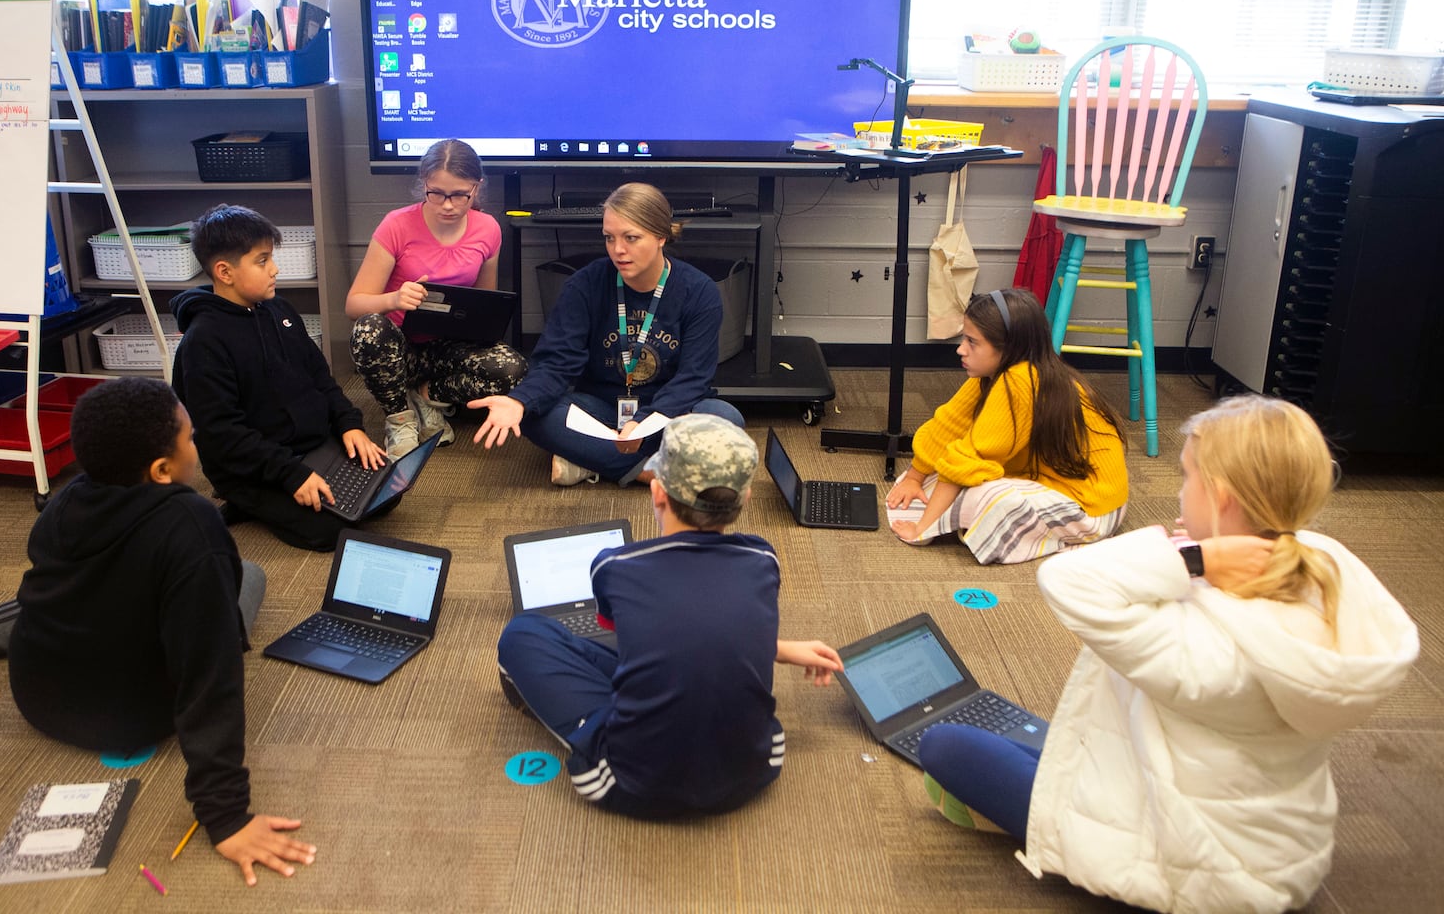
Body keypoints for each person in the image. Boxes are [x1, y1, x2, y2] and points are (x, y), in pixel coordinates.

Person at [916, 395, 1418, 913]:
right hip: (1280, 855)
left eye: (1186, 477)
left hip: (1195, 870)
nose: (1180, 491)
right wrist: (1204, 554)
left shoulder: (1201, 639)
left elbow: (1066, 579)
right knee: (1049, 736)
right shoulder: (1326, 569)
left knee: (944, 745)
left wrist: (1195, 557)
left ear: (1221, 497)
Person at [0, 378, 317, 887]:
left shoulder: (67, 498)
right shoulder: (194, 523)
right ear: (162, 470)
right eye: (189, 436)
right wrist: (225, 814)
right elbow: (210, 674)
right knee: (244, 577)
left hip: (36, 696)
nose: (196, 440)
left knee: (70, 594)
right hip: (136, 717)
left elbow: (40, 597)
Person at [496, 414, 843, 816]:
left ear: (657, 492)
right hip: (756, 767)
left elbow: (619, 635)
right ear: (745, 500)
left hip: (629, 783)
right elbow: (706, 623)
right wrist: (776, 648)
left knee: (522, 634)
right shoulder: (763, 558)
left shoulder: (614, 566)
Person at [470, 182, 742, 486]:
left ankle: (592, 461)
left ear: (662, 236)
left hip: (668, 410)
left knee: (724, 418)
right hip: (601, 408)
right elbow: (556, 363)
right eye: (609, 238)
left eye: (631, 238)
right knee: (536, 415)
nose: (618, 250)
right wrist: (518, 402)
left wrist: (643, 422)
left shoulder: (700, 291)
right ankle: (651, 471)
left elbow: (694, 378)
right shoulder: (585, 285)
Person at [172, 203, 386, 552]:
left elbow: (321, 377)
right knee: (330, 532)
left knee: (383, 491)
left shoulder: (280, 311)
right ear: (224, 272)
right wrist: (290, 474)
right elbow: (221, 433)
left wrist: (350, 425)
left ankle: (305, 480)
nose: (274, 269)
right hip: (253, 466)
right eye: (262, 261)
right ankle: (245, 500)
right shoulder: (203, 341)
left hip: (310, 445)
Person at [885, 287, 1127, 564]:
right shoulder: (996, 372)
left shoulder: (1020, 380)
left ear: (1008, 348)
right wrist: (915, 477)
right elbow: (949, 425)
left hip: (1093, 508)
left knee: (980, 494)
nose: (961, 349)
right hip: (1053, 483)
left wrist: (922, 530)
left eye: (972, 342)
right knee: (936, 476)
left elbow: (969, 459)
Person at [346, 139, 527, 457]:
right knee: (369, 330)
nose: (448, 204)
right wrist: (395, 299)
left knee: (514, 371)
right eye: (437, 193)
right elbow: (354, 304)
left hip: (446, 348)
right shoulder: (397, 225)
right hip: (399, 349)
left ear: (477, 187)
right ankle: (399, 416)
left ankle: (427, 395)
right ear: (424, 185)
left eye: (460, 194)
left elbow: (484, 304)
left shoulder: (487, 229)